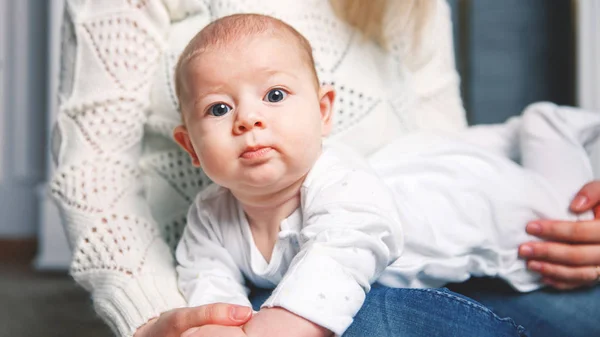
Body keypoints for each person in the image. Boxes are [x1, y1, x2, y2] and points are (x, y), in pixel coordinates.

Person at [49, 0, 600, 336]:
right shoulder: (211, 214)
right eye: (219, 109)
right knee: (362, 320)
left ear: (322, 110)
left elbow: (348, 246)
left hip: (510, 217)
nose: (248, 120)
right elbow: (207, 276)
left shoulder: (342, 183)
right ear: (191, 147)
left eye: (275, 95)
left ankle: (547, 126)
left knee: (545, 161)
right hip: (393, 284)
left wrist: (276, 328)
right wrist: (216, 325)